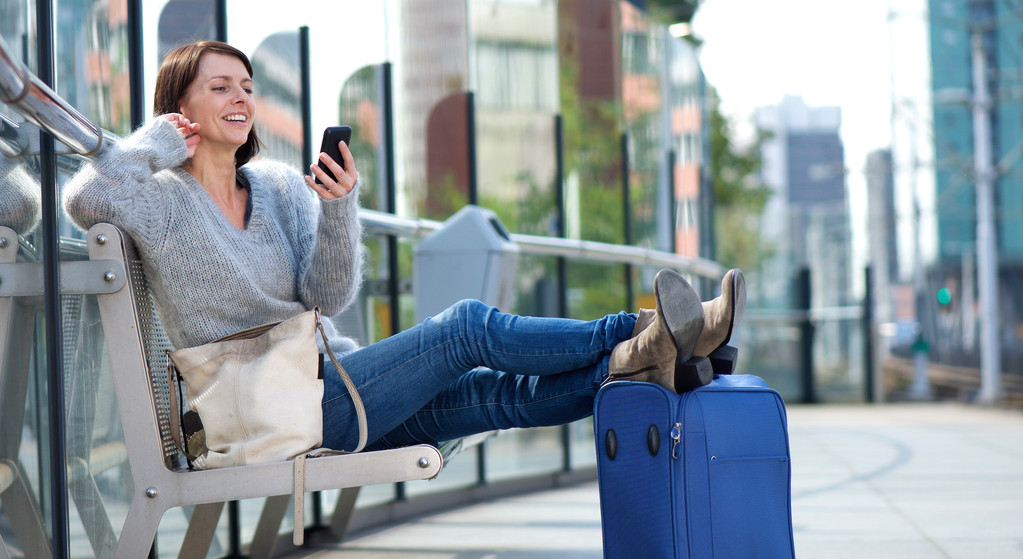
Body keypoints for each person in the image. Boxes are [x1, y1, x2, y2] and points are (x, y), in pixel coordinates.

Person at [63, 40, 745, 455]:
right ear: (179, 107)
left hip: (332, 388)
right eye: (221, 87)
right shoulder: (159, 197)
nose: (241, 97)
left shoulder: (273, 185)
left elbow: (325, 297)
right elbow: (85, 199)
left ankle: (646, 360)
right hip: (258, 409)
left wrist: (337, 210)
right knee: (467, 329)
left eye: (247, 85)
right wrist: (156, 142)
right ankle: (648, 330)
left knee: (494, 397)